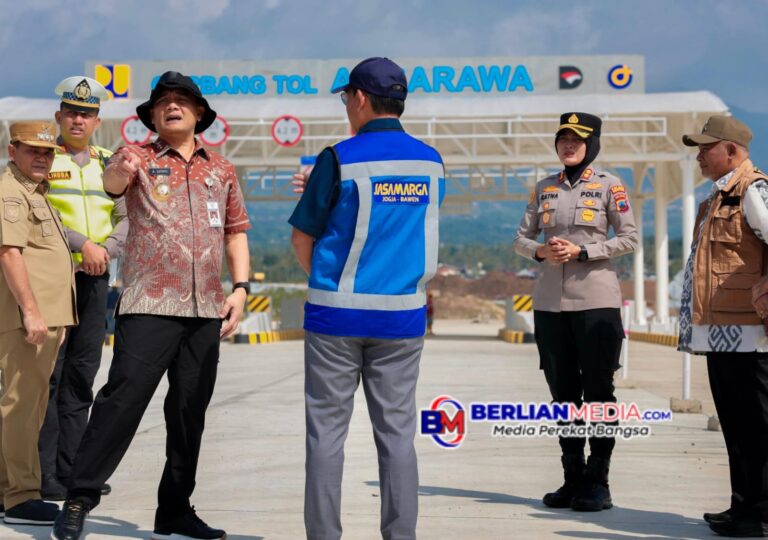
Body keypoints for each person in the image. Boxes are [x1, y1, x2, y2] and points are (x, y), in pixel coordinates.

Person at [51, 71, 251, 540]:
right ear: (153, 115)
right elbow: (113, 185)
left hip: (205, 311)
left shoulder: (221, 170)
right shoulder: (136, 158)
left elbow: (235, 231)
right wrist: (119, 172)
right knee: (121, 403)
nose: (173, 106)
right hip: (149, 305)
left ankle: (176, 509)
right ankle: (79, 498)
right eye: (164, 102)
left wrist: (240, 288)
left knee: (188, 412)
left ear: (199, 114)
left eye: (183, 101)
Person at [289, 57, 445, 540]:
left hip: (336, 319)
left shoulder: (338, 158)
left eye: (345, 98)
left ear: (359, 98)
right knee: (398, 436)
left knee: (326, 435)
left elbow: (302, 239)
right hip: (401, 320)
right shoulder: (431, 162)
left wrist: (330, 283)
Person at [513, 112, 638, 512]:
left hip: (596, 302)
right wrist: (538, 250)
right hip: (549, 304)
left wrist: (585, 251)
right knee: (563, 394)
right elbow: (520, 237)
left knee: (599, 392)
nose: (568, 145)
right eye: (562, 138)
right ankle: (572, 478)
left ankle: (598, 482)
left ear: (592, 144)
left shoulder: (609, 186)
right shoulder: (543, 188)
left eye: (577, 139)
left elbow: (630, 238)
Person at [678, 116, 768, 537]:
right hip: (722, 334)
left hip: (753, 335)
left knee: (758, 426)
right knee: (737, 426)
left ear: (731, 150)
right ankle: (743, 506)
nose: (699, 155)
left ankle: (761, 513)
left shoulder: (754, 190)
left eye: (706, 148)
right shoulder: (717, 197)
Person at [39, 76, 128, 501]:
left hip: (95, 279)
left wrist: (107, 249)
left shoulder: (110, 162)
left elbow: (129, 213)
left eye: (87, 113)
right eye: (72, 112)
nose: (79, 119)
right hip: (51, 279)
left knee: (81, 375)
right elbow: (37, 209)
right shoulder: (40, 159)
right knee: (48, 378)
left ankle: (74, 469)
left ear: (97, 121)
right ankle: (43, 474)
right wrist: (84, 244)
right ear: (59, 116)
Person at [0, 121, 76, 525]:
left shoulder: (36, 192)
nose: (42, 158)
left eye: (47, 152)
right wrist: (31, 312)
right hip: (27, 320)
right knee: (22, 407)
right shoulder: (11, 193)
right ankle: (20, 498)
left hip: (45, 320)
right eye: (32, 151)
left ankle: (5, 489)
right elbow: (10, 254)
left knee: (29, 405)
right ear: (12, 152)